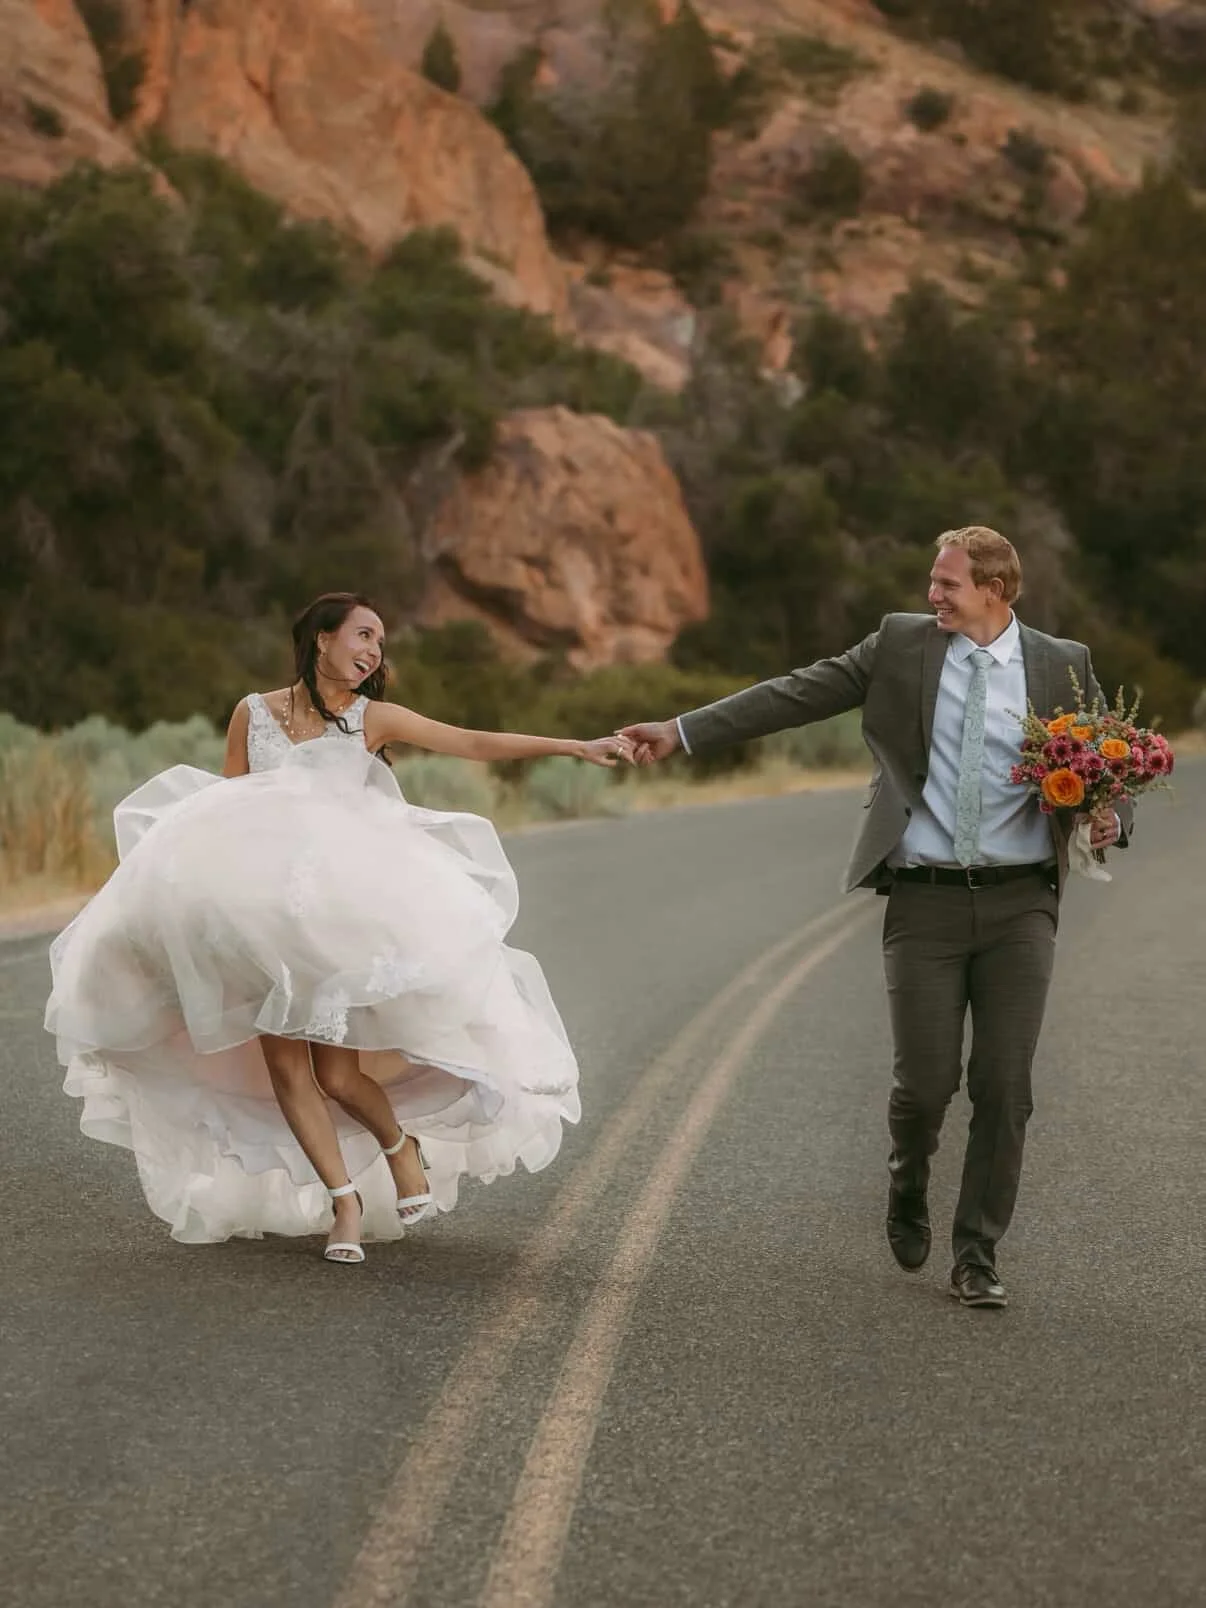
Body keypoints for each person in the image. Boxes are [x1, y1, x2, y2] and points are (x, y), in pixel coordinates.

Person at [619, 527, 1131, 1309]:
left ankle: (977, 1254)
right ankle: (908, 1178)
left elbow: (1106, 764)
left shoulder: (1062, 663)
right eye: (933, 581)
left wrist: (1111, 819)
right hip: (923, 899)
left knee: (1004, 1084)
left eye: (948, 585)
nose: (933, 596)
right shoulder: (902, 646)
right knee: (925, 1087)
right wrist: (682, 729)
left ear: (996, 590)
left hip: (1021, 901)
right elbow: (796, 692)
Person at [46, 592, 633, 1264]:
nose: (374, 651)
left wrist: (575, 747)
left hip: (334, 920)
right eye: (363, 634)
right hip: (258, 917)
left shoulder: (370, 718)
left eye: (380, 642)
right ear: (322, 639)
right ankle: (344, 1203)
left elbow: (469, 742)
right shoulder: (253, 712)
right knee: (286, 1065)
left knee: (340, 1074)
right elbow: (227, 806)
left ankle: (399, 1148)